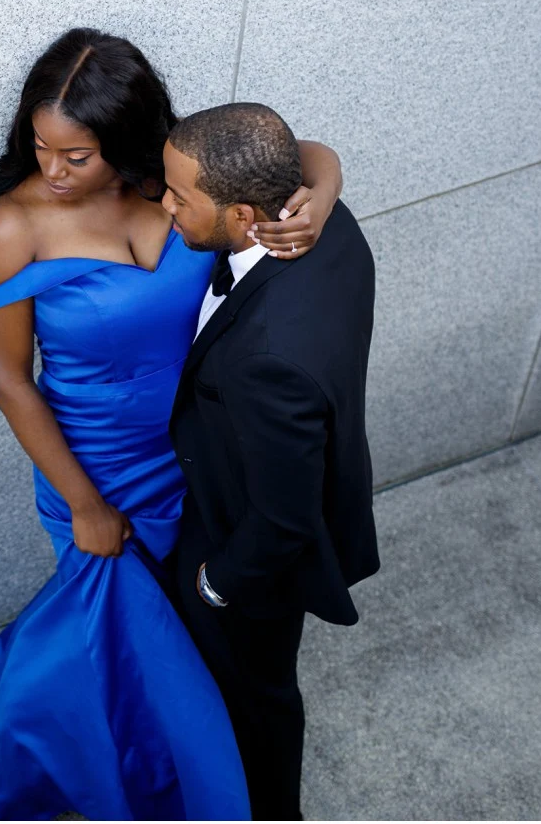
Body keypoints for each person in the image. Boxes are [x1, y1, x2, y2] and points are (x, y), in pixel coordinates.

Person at [0, 28, 346, 820]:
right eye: (41, 147)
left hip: (202, 458)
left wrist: (321, 198)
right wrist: (86, 503)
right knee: (128, 645)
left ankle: (182, 776)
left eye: (78, 155)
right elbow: (8, 377)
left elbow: (308, 154)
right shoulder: (13, 226)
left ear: (127, 141)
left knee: (195, 642)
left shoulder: (181, 178)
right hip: (93, 471)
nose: (53, 171)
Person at [160, 102, 381, 821]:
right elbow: (316, 154)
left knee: (258, 703)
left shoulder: (268, 359)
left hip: (243, 552)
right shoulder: (331, 224)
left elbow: (282, 519)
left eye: (179, 197)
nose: (164, 205)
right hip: (220, 486)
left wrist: (215, 584)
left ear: (243, 215)